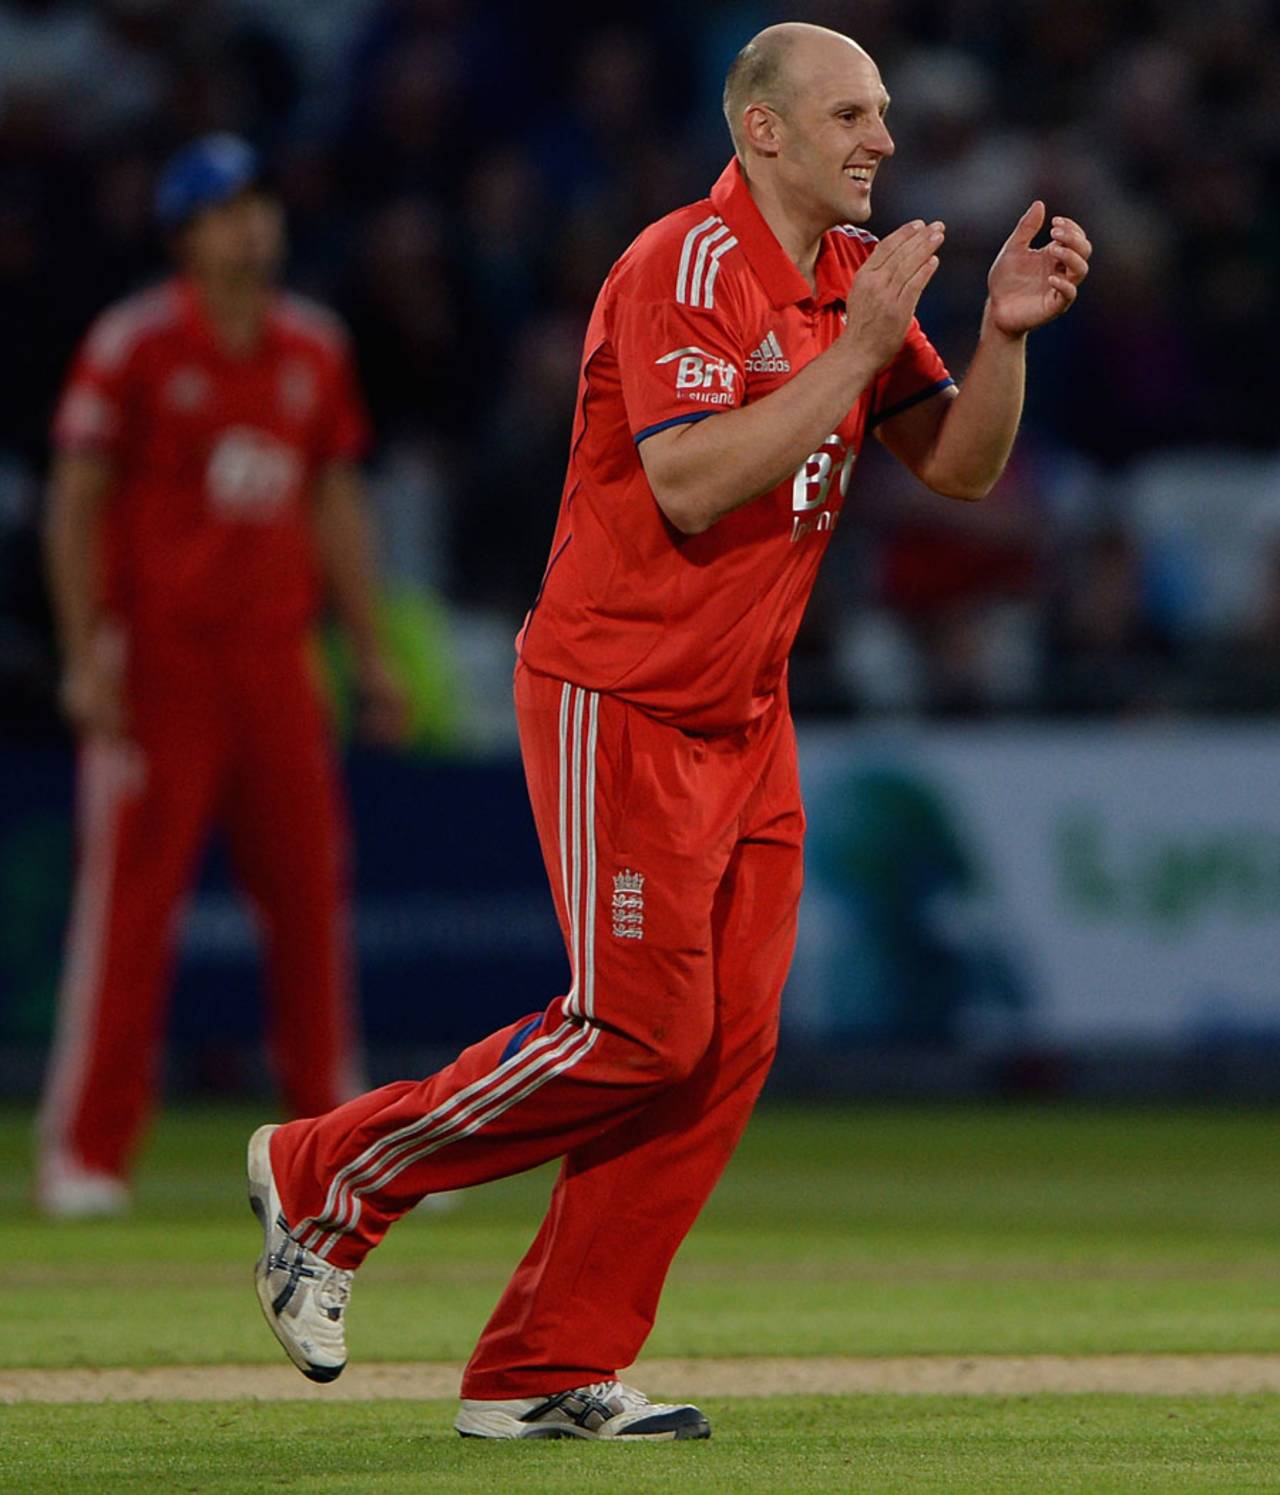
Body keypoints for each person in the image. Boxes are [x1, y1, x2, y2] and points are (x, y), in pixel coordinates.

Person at [248, 23, 1090, 1440]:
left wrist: (997, 335)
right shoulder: (683, 267)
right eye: (849, 113)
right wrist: (867, 346)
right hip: (617, 691)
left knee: (721, 1048)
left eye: (882, 111)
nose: (880, 137)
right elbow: (692, 481)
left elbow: (958, 462)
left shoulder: (841, 279)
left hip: (745, 713)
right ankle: (331, 1170)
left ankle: (541, 1366)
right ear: (763, 131)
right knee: (635, 1030)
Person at [37, 134, 406, 1218]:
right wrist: (82, 653)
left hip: (273, 657)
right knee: (130, 912)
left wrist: (370, 650)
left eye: (260, 204)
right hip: (161, 659)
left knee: (309, 902)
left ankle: (338, 1143)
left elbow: (334, 503)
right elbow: (76, 502)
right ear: (185, 233)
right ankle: (87, 1150)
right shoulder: (136, 344)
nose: (254, 224)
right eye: (226, 208)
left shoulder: (311, 346)